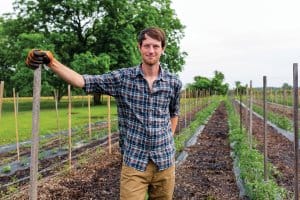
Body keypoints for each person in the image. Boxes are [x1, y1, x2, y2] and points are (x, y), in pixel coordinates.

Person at [26, 27, 182, 200]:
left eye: (155, 46)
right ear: (139, 47)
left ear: (163, 48)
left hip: (165, 164)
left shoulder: (173, 82)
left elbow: (174, 113)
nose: (151, 51)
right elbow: (83, 81)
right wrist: (51, 62)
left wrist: (168, 140)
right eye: (146, 46)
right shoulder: (122, 79)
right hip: (135, 164)